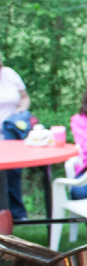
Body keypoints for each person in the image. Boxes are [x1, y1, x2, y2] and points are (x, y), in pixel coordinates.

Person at [0, 54, 33, 219]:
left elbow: (25, 97)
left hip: (12, 130)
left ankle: (17, 214)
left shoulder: (9, 74)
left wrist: (20, 112)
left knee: (14, 172)